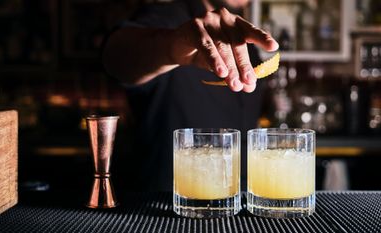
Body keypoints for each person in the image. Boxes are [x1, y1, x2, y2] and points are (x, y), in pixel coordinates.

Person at [102, 0, 279, 191]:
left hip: (235, 200)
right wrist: (173, 47)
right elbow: (116, 56)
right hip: (165, 205)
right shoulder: (168, 18)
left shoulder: (247, 43)